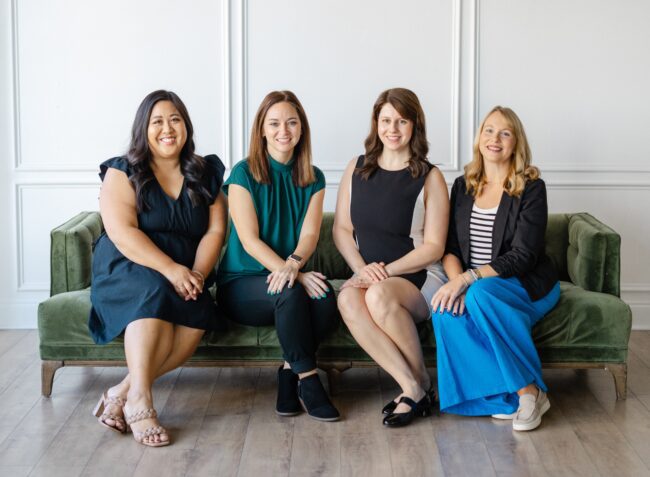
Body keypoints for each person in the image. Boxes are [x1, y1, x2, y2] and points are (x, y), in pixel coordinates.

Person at [88, 90, 228, 447]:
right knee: (152, 295)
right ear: (143, 129)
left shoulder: (205, 172)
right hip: (130, 263)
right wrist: (170, 270)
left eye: (175, 120)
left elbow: (215, 231)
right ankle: (141, 402)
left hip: (185, 269)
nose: (168, 129)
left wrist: (196, 274)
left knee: (197, 314)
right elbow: (122, 232)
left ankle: (123, 390)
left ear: (186, 126)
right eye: (158, 121)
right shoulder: (123, 171)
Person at [430, 106, 560, 432]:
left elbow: (523, 256)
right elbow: (450, 248)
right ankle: (504, 398)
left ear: (516, 142)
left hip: (527, 283)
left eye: (505, 133)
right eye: (489, 130)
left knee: (481, 295)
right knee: (444, 309)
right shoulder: (463, 186)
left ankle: (530, 392)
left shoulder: (531, 187)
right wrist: (457, 284)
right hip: (477, 286)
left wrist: (469, 279)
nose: (495, 139)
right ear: (479, 138)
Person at [216, 90, 340, 421]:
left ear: (302, 129)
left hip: (289, 276)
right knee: (290, 292)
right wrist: (293, 274)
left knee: (325, 297)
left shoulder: (314, 177)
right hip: (241, 283)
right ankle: (309, 381)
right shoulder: (242, 173)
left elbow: (310, 235)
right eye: (274, 123)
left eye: (291, 122)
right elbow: (249, 240)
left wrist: (294, 266)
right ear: (262, 129)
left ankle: (288, 374)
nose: (283, 130)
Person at [333, 88, 449, 427]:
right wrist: (361, 270)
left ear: (415, 125)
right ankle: (413, 386)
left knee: (378, 295)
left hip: (420, 276)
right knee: (347, 299)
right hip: (372, 276)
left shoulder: (430, 177)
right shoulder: (356, 168)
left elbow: (434, 247)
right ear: (376, 123)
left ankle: (420, 384)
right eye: (386, 120)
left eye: (401, 121)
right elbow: (341, 229)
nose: (392, 129)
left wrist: (382, 274)